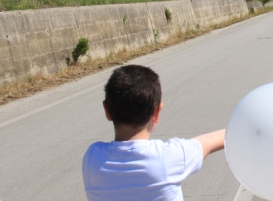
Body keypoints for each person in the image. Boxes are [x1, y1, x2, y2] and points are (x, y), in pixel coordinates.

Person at [82, 65, 225, 201]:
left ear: (107, 110)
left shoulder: (92, 158)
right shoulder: (169, 157)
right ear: (156, 112)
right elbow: (210, 142)